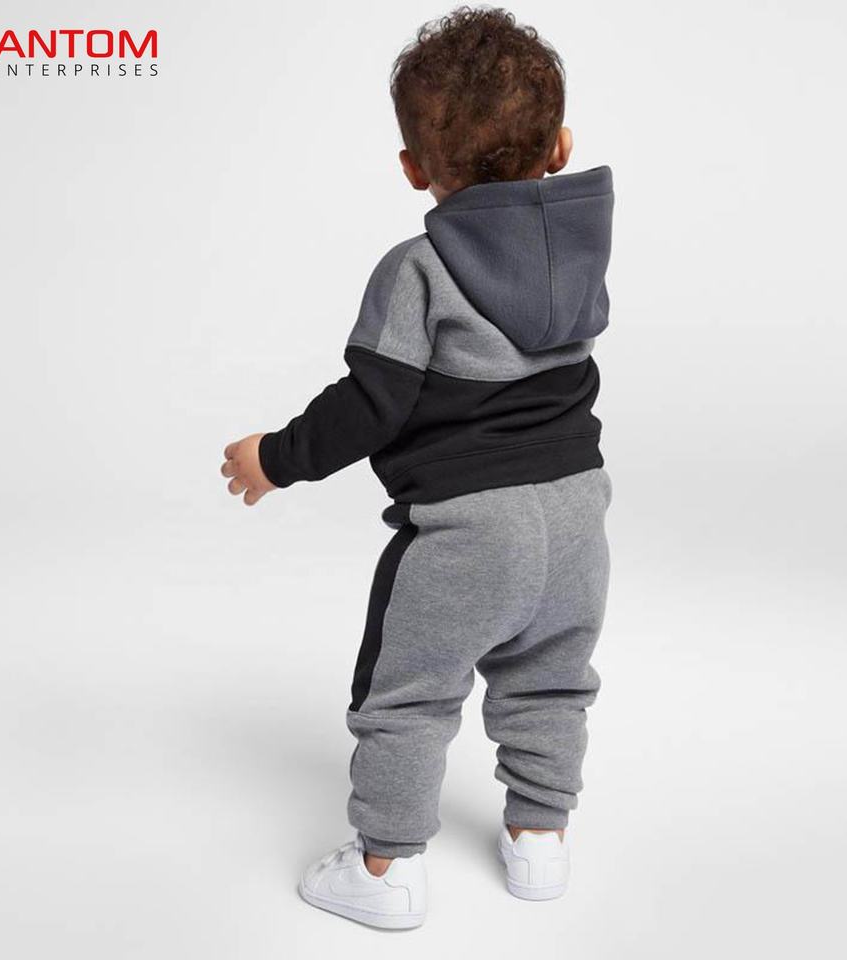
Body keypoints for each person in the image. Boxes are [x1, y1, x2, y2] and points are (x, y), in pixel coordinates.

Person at [221, 7, 614, 928]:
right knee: (551, 680)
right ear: (561, 147)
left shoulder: (420, 269)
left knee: (406, 695)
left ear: (412, 168)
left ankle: (385, 868)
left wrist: (276, 457)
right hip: (578, 515)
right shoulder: (584, 249)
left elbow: (373, 403)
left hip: (468, 529)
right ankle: (540, 839)